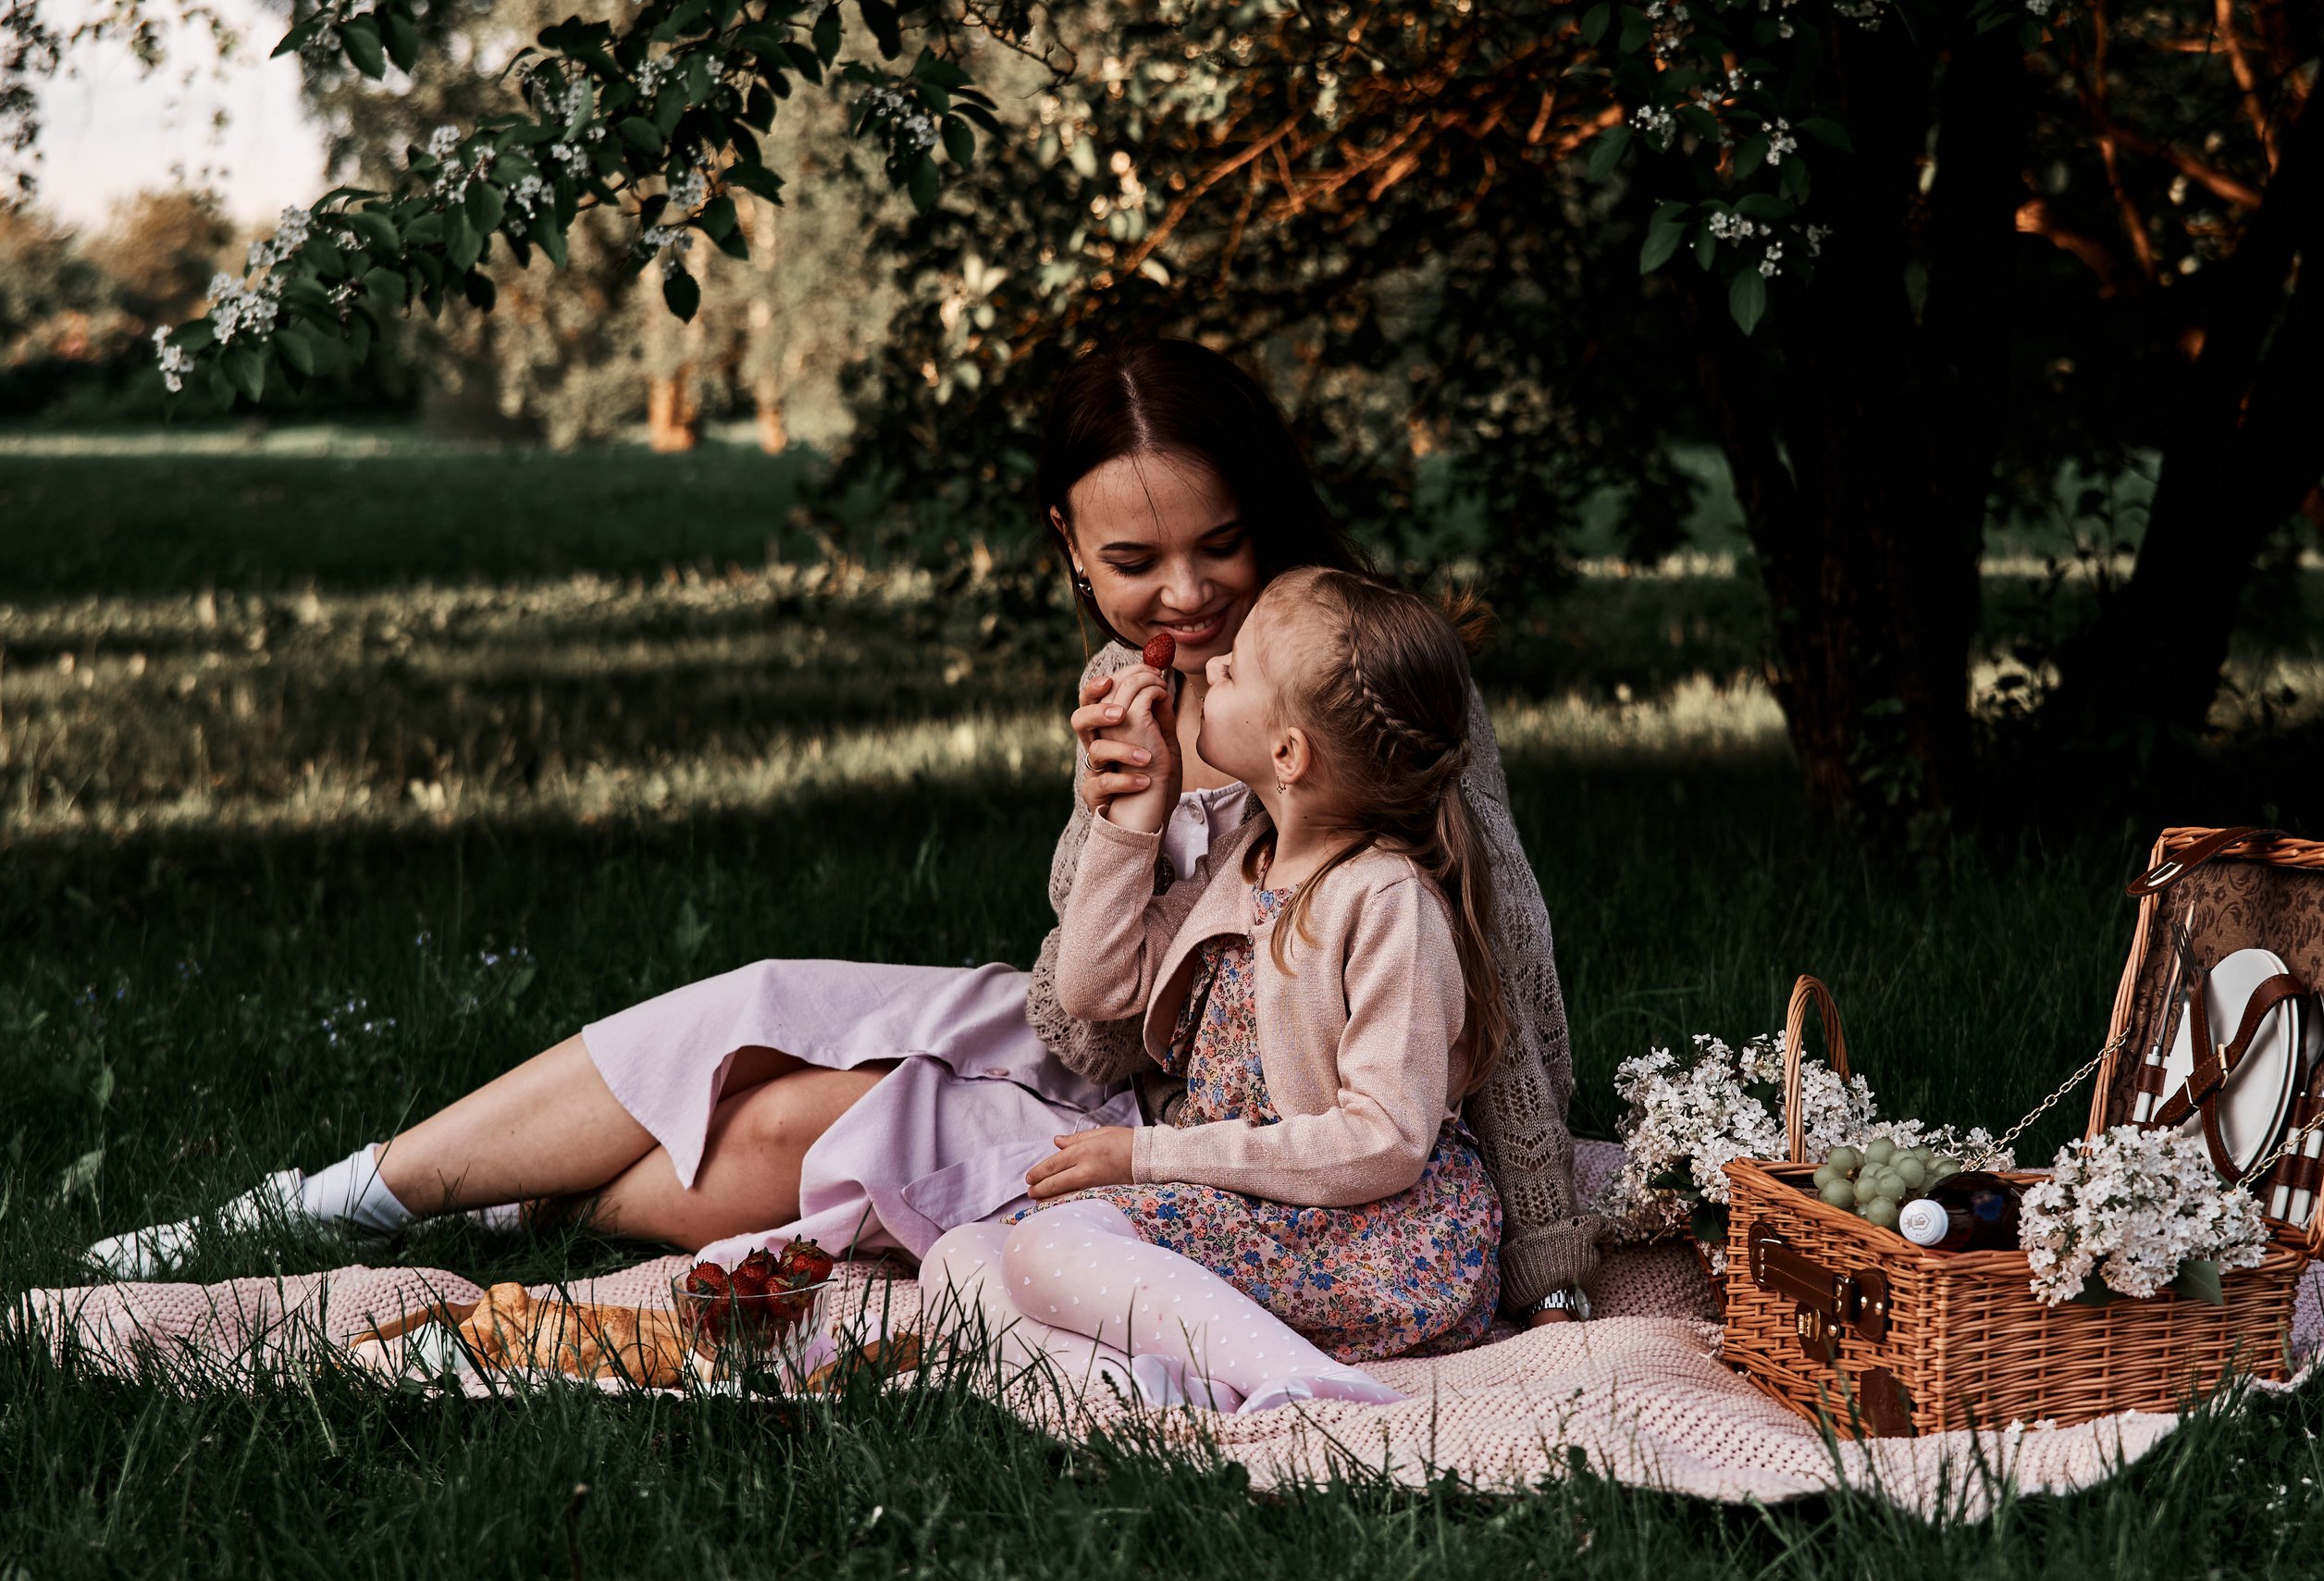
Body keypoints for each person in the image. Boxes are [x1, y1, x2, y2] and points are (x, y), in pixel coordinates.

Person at [84, 341, 1600, 1327]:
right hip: (1117, 1037)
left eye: (1220, 545)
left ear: (1270, 513)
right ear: (1069, 548)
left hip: (1217, 1095)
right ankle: (345, 1188)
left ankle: (488, 1189)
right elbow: (1083, 1013)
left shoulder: (1357, 679)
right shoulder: (1121, 686)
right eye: (1135, 560)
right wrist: (1117, 821)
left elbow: (1504, 962)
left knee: (816, 1121)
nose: (1186, 595)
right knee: (758, 1000)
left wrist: (1547, 1259)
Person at [922, 567, 1503, 1411]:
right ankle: (1150, 1398)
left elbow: (1385, 1140)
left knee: (1043, 1254)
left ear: (1287, 754)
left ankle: (1302, 1381)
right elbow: (1093, 982)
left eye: (1233, 671)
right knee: (959, 1259)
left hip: (1370, 1239)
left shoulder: (1384, 900)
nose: (1213, 663)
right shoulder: (1249, 863)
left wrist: (1147, 1159)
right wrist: (1136, 815)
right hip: (1248, 1213)